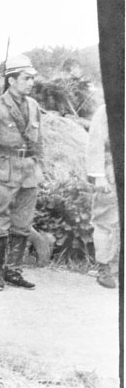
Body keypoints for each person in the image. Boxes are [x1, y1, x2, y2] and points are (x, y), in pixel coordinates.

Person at [0, 53, 43, 290]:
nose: (31, 82)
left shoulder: (34, 106)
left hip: (28, 173)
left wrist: (39, 167)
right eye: (26, 78)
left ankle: (13, 270)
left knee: (23, 224)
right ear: (12, 80)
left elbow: (38, 141)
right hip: (2, 170)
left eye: (32, 78)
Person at [86, 104, 119, 289]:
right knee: (104, 222)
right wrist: (99, 176)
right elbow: (95, 143)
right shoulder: (106, 110)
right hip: (111, 172)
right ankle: (104, 267)